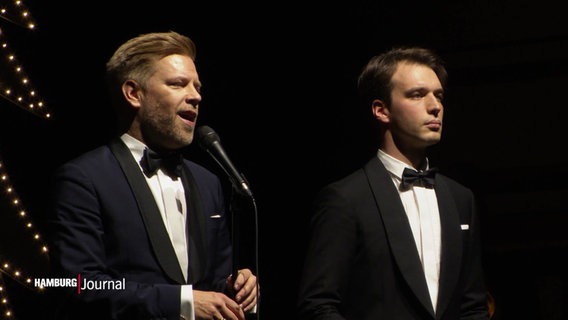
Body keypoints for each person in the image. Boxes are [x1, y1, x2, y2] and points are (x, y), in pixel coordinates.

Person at [46, 31, 258, 320]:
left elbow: (211, 286)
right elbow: (75, 285)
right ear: (134, 93)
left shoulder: (209, 182)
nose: (195, 96)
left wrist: (237, 287)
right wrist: (182, 303)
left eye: (197, 86)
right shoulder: (83, 178)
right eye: (178, 84)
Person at [297, 46, 490, 319]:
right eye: (417, 95)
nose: (435, 106)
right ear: (381, 110)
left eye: (439, 95)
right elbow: (318, 305)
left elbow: (473, 306)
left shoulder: (460, 198)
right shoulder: (346, 199)